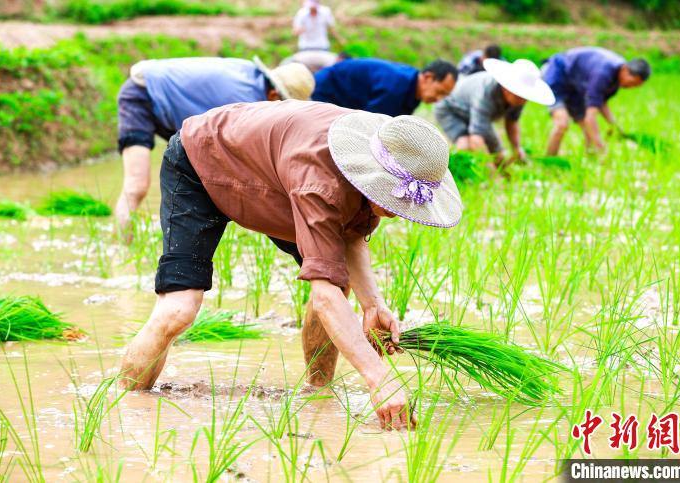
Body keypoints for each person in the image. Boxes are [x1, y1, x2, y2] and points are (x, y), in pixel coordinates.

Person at [119, 100, 463, 431]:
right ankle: (125, 407)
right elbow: (325, 295)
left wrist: (373, 305)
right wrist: (380, 379)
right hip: (202, 159)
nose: (395, 209)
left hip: (272, 182)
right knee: (179, 309)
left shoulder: (378, 159)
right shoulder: (322, 182)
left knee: (337, 281)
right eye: (392, 197)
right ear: (375, 175)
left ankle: (318, 392)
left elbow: (351, 235)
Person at [114, 56, 314, 236]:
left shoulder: (250, 75)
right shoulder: (244, 100)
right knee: (136, 185)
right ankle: (120, 248)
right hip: (142, 95)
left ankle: (164, 230)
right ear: (273, 95)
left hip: (175, 105)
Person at [434, 58, 554, 164]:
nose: (523, 101)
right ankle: (457, 174)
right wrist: (493, 172)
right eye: (520, 96)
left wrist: (517, 149)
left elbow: (511, 121)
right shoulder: (486, 91)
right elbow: (477, 136)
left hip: (473, 112)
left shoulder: (518, 99)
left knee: (497, 152)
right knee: (465, 144)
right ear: (506, 89)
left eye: (525, 97)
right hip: (450, 109)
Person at [542, 47, 651, 155]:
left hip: (576, 85)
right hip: (558, 73)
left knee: (589, 132)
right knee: (562, 123)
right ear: (625, 70)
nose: (630, 87)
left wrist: (614, 126)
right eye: (631, 83)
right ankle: (549, 161)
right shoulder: (603, 73)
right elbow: (591, 117)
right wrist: (601, 148)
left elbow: (599, 102)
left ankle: (589, 162)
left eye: (635, 86)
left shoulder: (617, 78)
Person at [312, 58, 458, 117]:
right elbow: (368, 125)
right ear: (427, 77)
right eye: (440, 92)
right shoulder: (396, 88)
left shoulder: (413, 90)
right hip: (326, 90)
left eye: (444, 96)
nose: (438, 99)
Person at [280, 50, 349, 74]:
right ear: (341, 59)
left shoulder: (332, 56)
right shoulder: (331, 60)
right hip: (291, 63)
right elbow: (325, 74)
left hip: (294, 61)